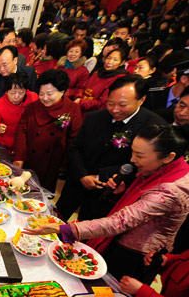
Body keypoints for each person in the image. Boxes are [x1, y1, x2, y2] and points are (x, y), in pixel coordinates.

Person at [27, 123, 189, 283]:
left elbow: (121, 221)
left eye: (140, 156)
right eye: (133, 152)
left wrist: (67, 229)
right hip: (120, 239)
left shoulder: (172, 191)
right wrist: (123, 192)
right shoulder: (164, 167)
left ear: (168, 157)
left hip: (135, 254)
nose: (132, 160)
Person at [58, 75, 168, 221]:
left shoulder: (154, 127)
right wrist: (82, 175)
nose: (115, 110)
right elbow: (75, 148)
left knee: (88, 228)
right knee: (56, 217)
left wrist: (101, 177)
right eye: (110, 103)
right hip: (77, 182)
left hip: (109, 193)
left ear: (141, 100)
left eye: (123, 105)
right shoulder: (94, 117)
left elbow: (146, 164)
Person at [13, 69, 83, 191]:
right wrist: (19, 157)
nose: (45, 98)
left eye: (50, 94)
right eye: (41, 94)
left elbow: (74, 140)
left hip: (51, 164)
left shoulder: (72, 109)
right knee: (22, 189)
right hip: (29, 159)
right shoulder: (32, 107)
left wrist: (66, 164)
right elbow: (21, 132)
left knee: (42, 192)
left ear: (62, 92)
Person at [0, 72, 38, 152]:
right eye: (13, 93)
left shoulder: (33, 98)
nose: (16, 96)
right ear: (6, 91)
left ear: (26, 91)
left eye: (21, 93)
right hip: (7, 146)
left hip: (27, 143)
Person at [75, 48, 128, 114]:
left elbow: (103, 103)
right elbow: (83, 86)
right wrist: (78, 96)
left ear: (122, 63)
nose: (110, 62)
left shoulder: (119, 79)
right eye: (109, 58)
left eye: (115, 60)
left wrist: (81, 102)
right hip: (80, 105)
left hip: (94, 113)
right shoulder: (98, 72)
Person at [0, 46, 36, 115]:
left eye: (4, 65)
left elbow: (34, 98)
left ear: (15, 60)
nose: (1, 69)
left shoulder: (29, 73)